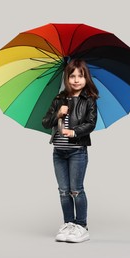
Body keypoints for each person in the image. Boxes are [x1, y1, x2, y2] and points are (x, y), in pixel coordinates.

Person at [42, 59, 99, 243]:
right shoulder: (59, 99)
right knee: (63, 191)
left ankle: (81, 226)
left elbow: (91, 123)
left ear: (86, 78)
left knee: (76, 190)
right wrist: (58, 113)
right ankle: (68, 224)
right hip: (58, 151)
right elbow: (45, 122)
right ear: (66, 78)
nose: (76, 80)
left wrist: (73, 132)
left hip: (77, 151)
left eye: (80, 76)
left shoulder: (88, 100)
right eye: (72, 76)